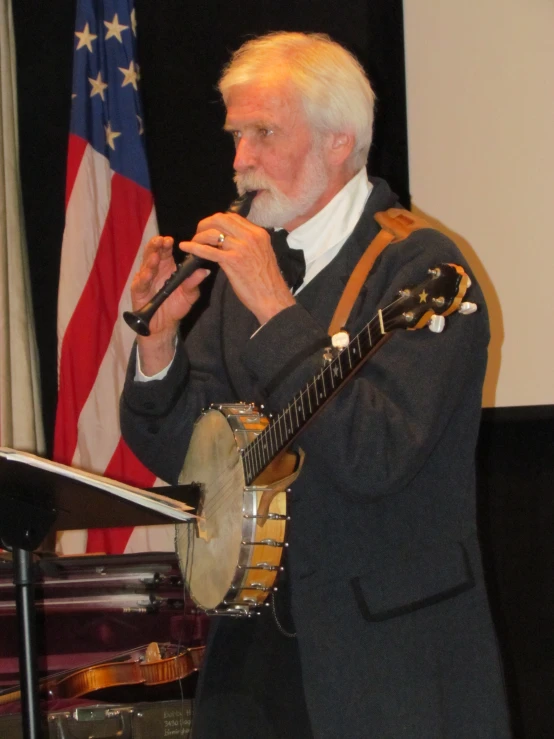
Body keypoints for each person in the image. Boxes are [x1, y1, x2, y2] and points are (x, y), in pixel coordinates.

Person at [120, 32, 511, 739]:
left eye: (263, 133)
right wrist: (158, 345)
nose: (240, 162)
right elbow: (187, 455)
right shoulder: (250, 276)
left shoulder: (420, 266)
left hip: (389, 667)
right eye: (237, 136)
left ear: (339, 142)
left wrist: (277, 311)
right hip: (252, 669)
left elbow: (378, 454)